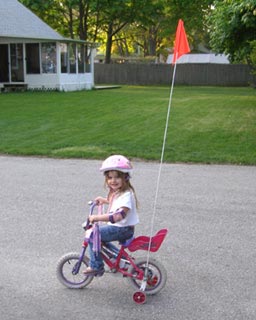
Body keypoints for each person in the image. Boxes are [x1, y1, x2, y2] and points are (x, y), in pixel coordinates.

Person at [83, 155, 139, 276]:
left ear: (126, 177)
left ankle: (96, 266)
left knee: (93, 234)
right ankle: (121, 259)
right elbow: (116, 203)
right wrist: (104, 200)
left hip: (122, 229)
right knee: (100, 238)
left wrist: (96, 218)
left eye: (117, 177)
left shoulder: (126, 196)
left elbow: (118, 216)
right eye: (110, 177)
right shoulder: (120, 192)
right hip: (123, 228)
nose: (113, 180)